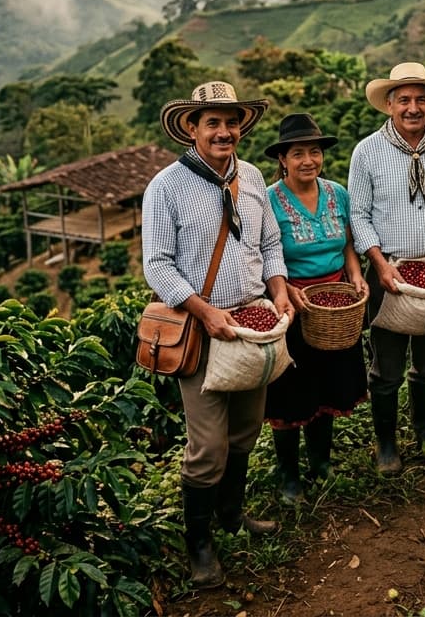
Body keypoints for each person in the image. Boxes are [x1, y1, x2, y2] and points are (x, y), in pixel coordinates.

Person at [142, 81, 295, 588]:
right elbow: (157, 264)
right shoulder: (166, 186)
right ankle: (200, 545)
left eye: (232, 123)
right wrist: (205, 312)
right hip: (201, 330)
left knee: (246, 430)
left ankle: (232, 514)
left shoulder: (252, 177)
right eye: (213, 123)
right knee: (208, 447)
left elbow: (269, 243)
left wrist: (278, 289)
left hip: (253, 324)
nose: (224, 132)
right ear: (192, 128)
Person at [348, 62, 425, 474]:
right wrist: (379, 264)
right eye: (404, 99)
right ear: (389, 104)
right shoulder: (367, 151)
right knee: (386, 366)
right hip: (388, 271)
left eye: (421, 99)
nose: (413, 107)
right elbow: (359, 215)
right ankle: (386, 444)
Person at [263, 113, 369, 504]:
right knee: (291, 390)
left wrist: (355, 275)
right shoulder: (269, 201)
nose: (308, 160)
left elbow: (348, 245)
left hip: (336, 305)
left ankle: (321, 462)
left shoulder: (337, 194)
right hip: (291, 306)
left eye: (314, 152)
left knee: (328, 384)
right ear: (283, 159)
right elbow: (265, 254)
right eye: (297, 153)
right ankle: (289, 476)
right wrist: (287, 290)